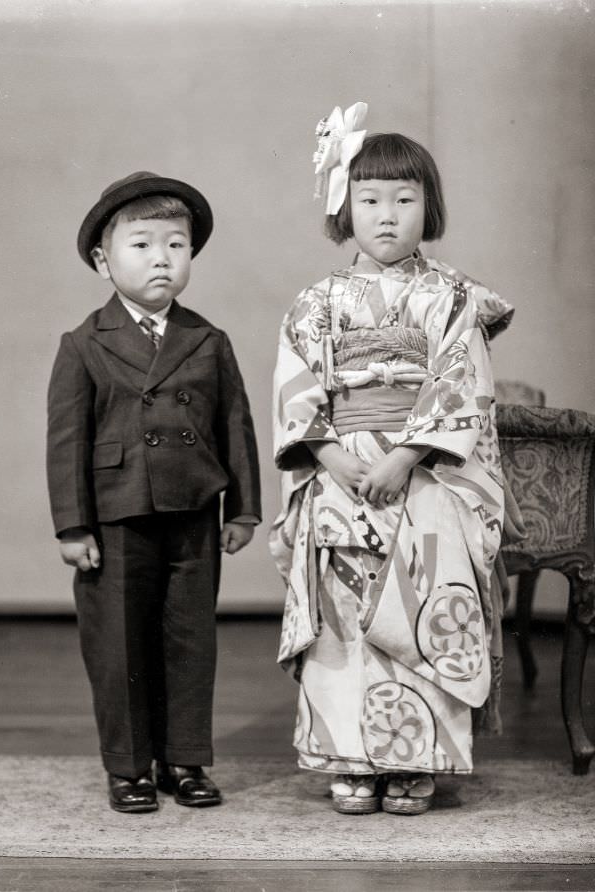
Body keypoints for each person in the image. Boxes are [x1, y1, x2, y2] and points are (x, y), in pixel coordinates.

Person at [270, 103, 514, 816]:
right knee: (345, 614)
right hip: (338, 468)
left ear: (428, 208)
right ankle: (351, 759)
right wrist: (325, 452)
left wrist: (407, 455)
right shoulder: (317, 303)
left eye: (405, 200)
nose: (387, 215)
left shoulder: (452, 297)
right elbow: (296, 384)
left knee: (420, 608)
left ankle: (418, 760)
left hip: (428, 473)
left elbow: (462, 383)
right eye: (370, 199)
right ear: (343, 208)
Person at [47, 171, 261, 813]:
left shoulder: (207, 339)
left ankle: (186, 761)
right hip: (115, 516)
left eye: (176, 244)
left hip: (193, 510)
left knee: (190, 640)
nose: (161, 258)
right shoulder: (84, 343)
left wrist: (243, 508)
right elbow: (66, 442)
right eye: (141, 245)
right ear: (102, 260)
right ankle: (129, 767)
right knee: (118, 644)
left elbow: (236, 426)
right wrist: (72, 526)